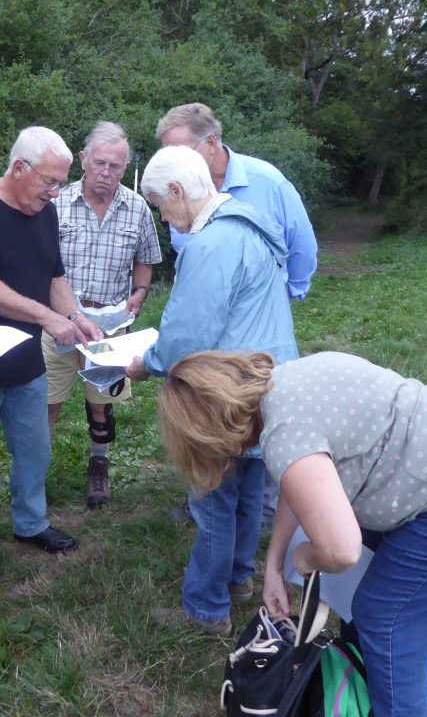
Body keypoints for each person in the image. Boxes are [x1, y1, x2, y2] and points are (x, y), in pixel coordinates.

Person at [157, 349, 427, 717]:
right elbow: (299, 475)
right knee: (358, 603)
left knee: (387, 622)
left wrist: (304, 556)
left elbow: (341, 551)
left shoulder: (284, 434)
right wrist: (274, 564)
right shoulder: (289, 383)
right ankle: (361, 699)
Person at [124, 145, 299, 635]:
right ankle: (239, 579)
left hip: (227, 393)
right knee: (245, 492)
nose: (164, 217)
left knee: (213, 497)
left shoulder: (212, 243)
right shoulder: (249, 226)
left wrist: (149, 363)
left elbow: (188, 333)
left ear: (178, 191)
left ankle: (205, 608)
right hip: (266, 382)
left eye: (161, 205)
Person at [0, 126, 103, 590]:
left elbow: (54, 275)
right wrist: (49, 318)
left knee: (35, 450)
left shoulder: (45, 212)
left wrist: (75, 315)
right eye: (48, 182)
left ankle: (30, 524)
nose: (54, 193)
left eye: (60, 184)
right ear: (18, 168)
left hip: (27, 360)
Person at [156, 102, 318, 530]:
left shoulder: (267, 181)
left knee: (256, 422)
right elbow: (189, 257)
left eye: (183, 151)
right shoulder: (182, 190)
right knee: (218, 424)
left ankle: (257, 515)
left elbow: (302, 246)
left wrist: (281, 296)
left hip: (256, 325)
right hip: (213, 329)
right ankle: (223, 513)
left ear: (210, 143)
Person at [44, 121, 162, 508]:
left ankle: (99, 466)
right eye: (99, 163)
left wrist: (140, 292)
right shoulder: (54, 203)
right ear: (83, 160)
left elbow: (146, 258)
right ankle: (33, 476)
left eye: (114, 166)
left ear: (125, 168)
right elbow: (38, 264)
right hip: (57, 323)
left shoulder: (138, 208)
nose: (105, 173)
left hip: (110, 327)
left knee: (102, 401)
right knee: (46, 400)